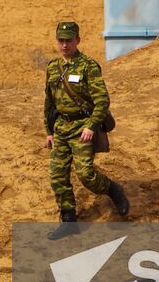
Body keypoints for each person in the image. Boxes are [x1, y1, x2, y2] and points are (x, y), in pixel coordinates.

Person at [44, 21, 129, 239]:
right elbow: (49, 103)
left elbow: (102, 101)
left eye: (68, 41)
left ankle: (112, 189)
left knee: (85, 174)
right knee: (57, 176)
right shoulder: (53, 68)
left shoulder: (88, 66)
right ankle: (69, 220)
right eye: (61, 41)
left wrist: (91, 125)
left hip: (83, 127)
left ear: (77, 41)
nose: (64, 45)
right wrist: (49, 131)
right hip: (61, 128)